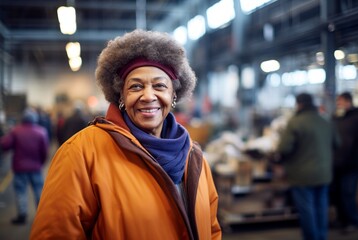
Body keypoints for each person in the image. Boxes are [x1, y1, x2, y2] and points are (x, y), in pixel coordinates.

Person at [30, 29, 222, 239]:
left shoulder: (194, 157)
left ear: (173, 94)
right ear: (120, 95)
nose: (148, 96)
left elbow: (211, 229)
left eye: (159, 86)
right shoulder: (80, 154)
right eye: (136, 86)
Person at [274, 93, 340, 240]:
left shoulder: (295, 122)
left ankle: (312, 238)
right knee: (322, 207)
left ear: (299, 104)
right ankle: (322, 236)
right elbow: (337, 143)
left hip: (302, 175)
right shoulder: (326, 121)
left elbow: (284, 148)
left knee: (307, 209)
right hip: (324, 173)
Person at [0, 108, 49, 225]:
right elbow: (44, 151)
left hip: (19, 168)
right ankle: (42, 216)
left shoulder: (15, 131)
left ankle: (22, 215)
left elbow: (5, 145)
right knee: (39, 191)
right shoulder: (41, 131)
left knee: (21, 192)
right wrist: (40, 163)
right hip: (36, 167)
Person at [331, 91, 358, 233]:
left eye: (340, 101)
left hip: (352, 163)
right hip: (336, 163)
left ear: (348, 101)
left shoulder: (357, 118)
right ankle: (341, 219)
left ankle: (353, 221)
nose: (338, 104)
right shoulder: (337, 119)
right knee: (337, 194)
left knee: (348, 193)